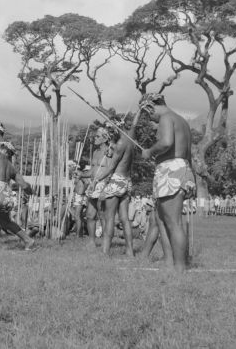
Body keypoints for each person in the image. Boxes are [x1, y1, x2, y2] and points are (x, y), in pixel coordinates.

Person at [140, 93, 196, 272]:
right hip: (181, 168)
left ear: (151, 107)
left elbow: (166, 143)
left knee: (173, 221)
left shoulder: (166, 117)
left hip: (172, 170)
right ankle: (170, 263)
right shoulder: (182, 121)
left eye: (148, 114)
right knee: (162, 219)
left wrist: (150, 151)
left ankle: (179, 268)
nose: (151, 118)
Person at [97, 116, 138, 257]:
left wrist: (96, 179)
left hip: (116, 180)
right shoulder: (131, 141)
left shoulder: (120, 144)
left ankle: (105, 251)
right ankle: (130, 251)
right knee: (125, 218)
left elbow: (111, 167)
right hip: (127, 182)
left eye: (111, 131)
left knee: (109, 217)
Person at [78, 127, 112, 247]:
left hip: (103, 184)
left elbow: (110, 170)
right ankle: (92, 241)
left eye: (97, 136)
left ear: (105, 138)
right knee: (89, 215)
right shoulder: (96, 152)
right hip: (93, 184)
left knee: (102, 215)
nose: (95, 139)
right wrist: (81, 174)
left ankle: (105, 242)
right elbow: (92, 171)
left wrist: (105, 186)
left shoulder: (110, 151)